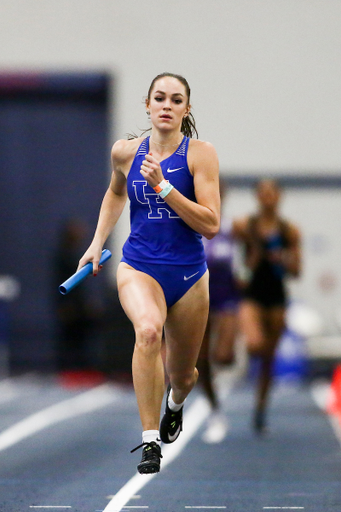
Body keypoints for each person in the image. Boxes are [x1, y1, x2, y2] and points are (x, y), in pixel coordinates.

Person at [77, 73, 220, 473]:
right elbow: (116, 191)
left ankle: (174, 405)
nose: (167, 106)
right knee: (147, 332)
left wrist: (164, 189)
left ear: (185, 110)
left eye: (176, 100)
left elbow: (210, 225)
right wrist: (96, 241)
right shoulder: (125, 152)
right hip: (139, 266)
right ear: (147, 104)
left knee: (185, 375)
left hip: (189, 275)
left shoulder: (200, 154)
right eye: (160, 98)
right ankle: (149, 441)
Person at [234, 179, 301, 433]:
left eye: (272, 194)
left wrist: (283, 259)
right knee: (254, 345)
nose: (268, 198)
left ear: (279, 197)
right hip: (252, 294)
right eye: (263, 194)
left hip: (276, 296)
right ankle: (251, 354)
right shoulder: (244, 226)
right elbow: (236, 263)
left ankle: (260, 408)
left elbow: (296, 271)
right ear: (257, 197)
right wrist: (251, 261)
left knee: (268, 359)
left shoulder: (289, 230)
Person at [198, 185, 241, 443]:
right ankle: (215, 409)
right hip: (198, 294)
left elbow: (245, 261)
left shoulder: (234, 228)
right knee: (201, 362)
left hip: (226, 296)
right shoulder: (190, 221)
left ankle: (220, 379)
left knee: (223, 357)